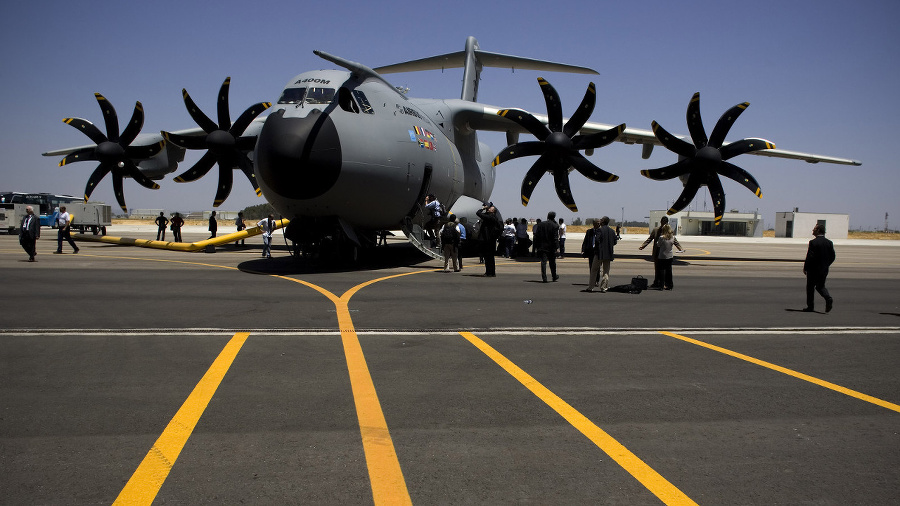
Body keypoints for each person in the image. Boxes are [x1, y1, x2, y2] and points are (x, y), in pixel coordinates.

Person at [803, 223, 836, 312]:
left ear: (818, 230)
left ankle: (810, 306)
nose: (812, 230)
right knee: (820, 286)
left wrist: (805, 267)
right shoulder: (829, 242)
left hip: (813, 270)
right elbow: (833, 256)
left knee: (810, 288)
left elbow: (810, 256)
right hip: (824, 270)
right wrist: (826, 265)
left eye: (814, 229)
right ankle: (828, 298)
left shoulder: (813, 242)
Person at [586, 216, 617, 292]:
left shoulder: (600, 230)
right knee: (606, 271)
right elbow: (615, 242)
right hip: (608, 254)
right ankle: (603, 287)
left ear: (602, 222)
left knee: (594, 270)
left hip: (599, 254)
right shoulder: (612, 231)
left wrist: (597, 248)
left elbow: (597, 240)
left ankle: (591, 286)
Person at [639, 216, 670, 289]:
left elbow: (674, 240)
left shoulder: (668, 231)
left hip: (665, 253)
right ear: (660, 222)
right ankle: (656, 282)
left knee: (664, 270)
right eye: (662, 223)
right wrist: (643, 246)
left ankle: (663, 283)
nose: (663, 224)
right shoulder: (656, 230)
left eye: (664, 223)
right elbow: (650, 239)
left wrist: (679, 247)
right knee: (657, 268)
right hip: (657, 252)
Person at [476, 202, 503, 277]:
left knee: (487, 257)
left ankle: (488, 272)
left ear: (493, 211)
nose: (489, 208)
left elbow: (478, 213)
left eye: (490, 208)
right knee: (490, 257)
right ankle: (492, 272)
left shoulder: (490, 217)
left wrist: (483, 208)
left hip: (487, 240)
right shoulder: (492, 217)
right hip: (491, 240)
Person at [533, 211, 560, 282]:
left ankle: (544, 278)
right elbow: (555, 238)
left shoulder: (541, 224)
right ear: (554, 217)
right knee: (552, 262)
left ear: (547, 216)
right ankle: (554, 276)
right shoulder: (555, 226)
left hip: (542, 246)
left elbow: (537, 236)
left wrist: (536, 246)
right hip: (551, 247)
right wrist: (557, 247)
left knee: (543, 262)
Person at [655, 223, 683, 290]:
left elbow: (658, 245)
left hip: (662, 256)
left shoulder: (662, 238)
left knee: (662, 271)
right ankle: (670, 285)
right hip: (670, 256)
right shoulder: (672, 237)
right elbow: (676, 244)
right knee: (669, 271)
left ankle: (661, 285)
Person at [581, 219, 602, 287]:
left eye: (599, 223)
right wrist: (583, 249)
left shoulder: (601, 231)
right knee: (591, 266)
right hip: (591, 251)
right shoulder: (589, 231)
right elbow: (585, 241)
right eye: (597, 223)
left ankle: (597, 280)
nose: (599, 225)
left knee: (597, 267)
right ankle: (592, 280)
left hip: (598, 251)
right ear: (594, 224)